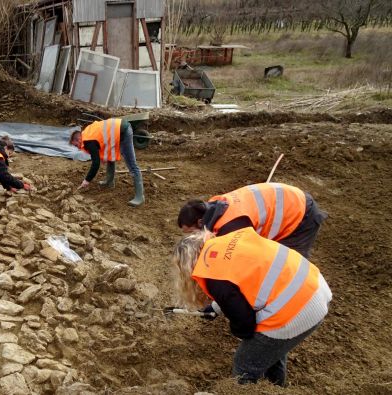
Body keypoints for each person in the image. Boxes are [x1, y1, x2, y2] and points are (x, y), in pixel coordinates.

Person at [171, 228, 332, 387]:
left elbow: (245, 323)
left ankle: (246, 389)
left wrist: (240, 333)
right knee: (270, 350)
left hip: (295, 309)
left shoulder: (212, 276)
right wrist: (216, 307)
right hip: (314, 286)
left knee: (245, 363)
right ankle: (276, 386)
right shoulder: (228, 240)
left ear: (187, 266)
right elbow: (241, 280)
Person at [177, 183, 327, 258]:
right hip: (288, 197)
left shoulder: (232, 226)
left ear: (199, 222)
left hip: (301, 213)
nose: (190, 237)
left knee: (287, 262)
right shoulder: (215, 206)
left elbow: (246, 257)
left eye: (190, 232)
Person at [69, 118, 144, 207]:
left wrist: (87, 180)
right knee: (109, 157)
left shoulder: (88, 141)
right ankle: (109, 182)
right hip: (116, 130)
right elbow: (101, 140)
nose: (77, 148)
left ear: (78, 139)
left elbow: (95, 164)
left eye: (76, 145)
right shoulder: (87, 134)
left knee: (131, 164)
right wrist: (103, 156)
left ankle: (140, 197)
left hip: (123, 130)